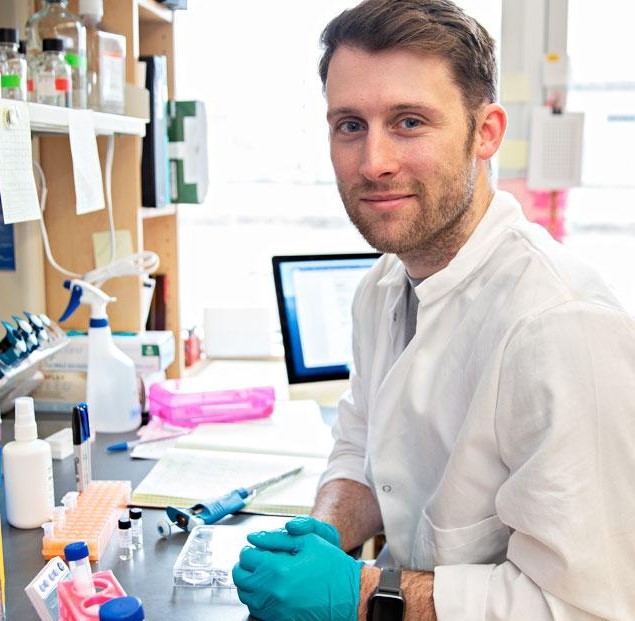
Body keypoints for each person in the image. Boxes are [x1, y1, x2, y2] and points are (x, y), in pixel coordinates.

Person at [232, 0, 635, 619]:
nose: (374, 163)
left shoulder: (560, 324)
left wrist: (360, 593)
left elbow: (586, 606)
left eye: (410, 122)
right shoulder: (384, 285)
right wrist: (325, 529)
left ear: (486, 132)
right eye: (350, 125)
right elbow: (361, 442)